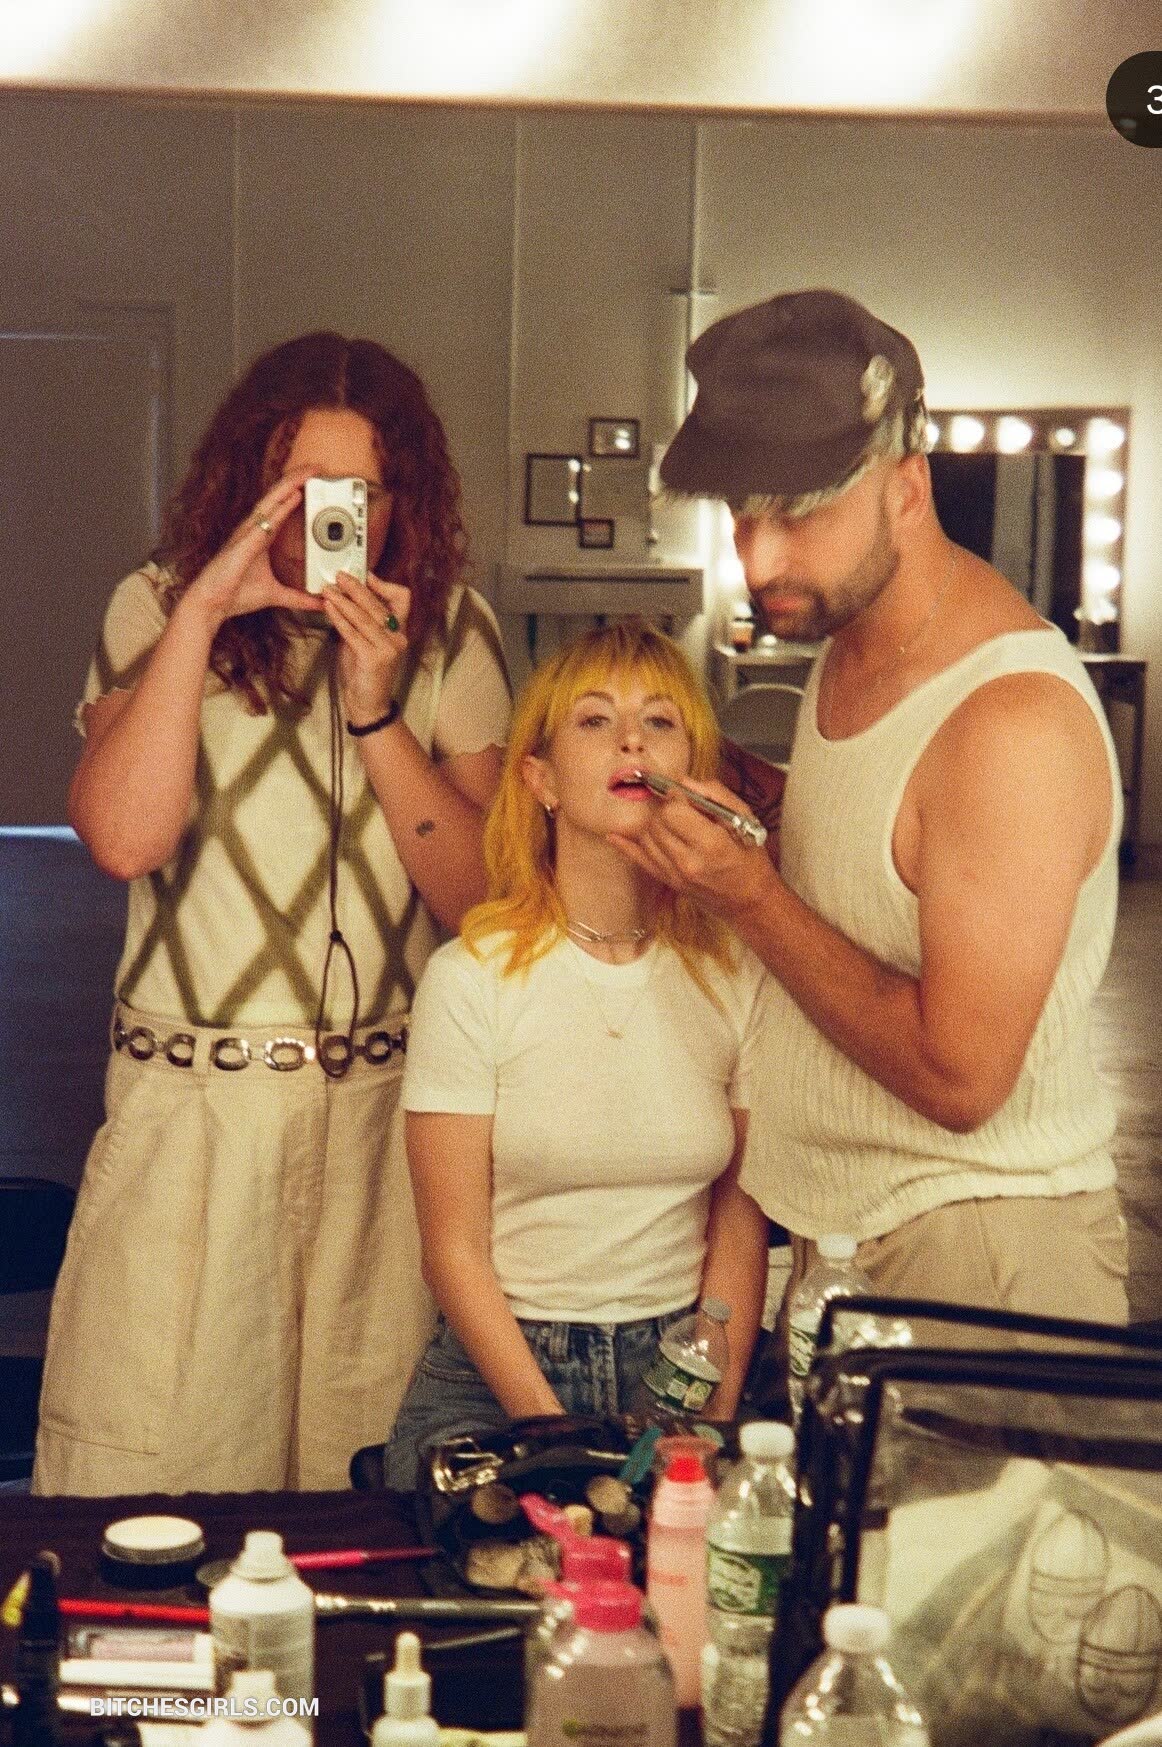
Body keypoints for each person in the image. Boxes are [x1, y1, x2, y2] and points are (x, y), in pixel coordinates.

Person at [34, 331, 512, 1495]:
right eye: (297, 486)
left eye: (360, 492)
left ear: (402, 503)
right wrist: (205, 612)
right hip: (191, 1117)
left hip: (389, 1121)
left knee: (371, 1488)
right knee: (153, 1482)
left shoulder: (449, 628)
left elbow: (487, 904)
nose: (325, 518)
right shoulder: (156, 605)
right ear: (249, 480)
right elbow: (123, 839)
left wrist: (376, 711)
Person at [619, 287, 1128, 1323]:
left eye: (799, 515)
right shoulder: (854, 641)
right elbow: (900, 843)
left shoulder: (1011, 725)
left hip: (982, 1255)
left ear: (907, 487)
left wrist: (749, 895)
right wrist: (764, 798)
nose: (759, 561)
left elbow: (960, 1077)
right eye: (742, 516)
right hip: (852, 1240)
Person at [383, 620, 769, 1488]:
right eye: (595, 720)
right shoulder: (470, 977)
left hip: (683, 1356)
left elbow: (740, 1219)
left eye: (660, 721)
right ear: (542, 779)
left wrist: (712, 1404)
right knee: (512, 1554)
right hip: (500, 1372)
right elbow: (452, 1252)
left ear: (691, 769)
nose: (633, 740)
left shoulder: (734, 971)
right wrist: (557, 1438)